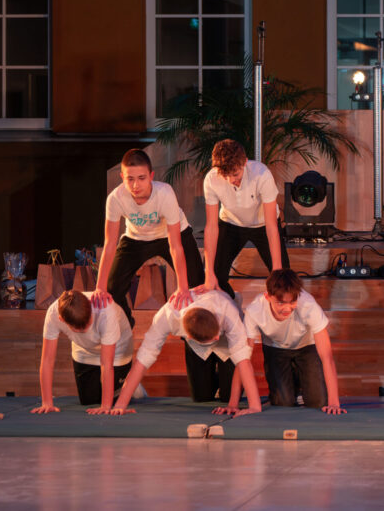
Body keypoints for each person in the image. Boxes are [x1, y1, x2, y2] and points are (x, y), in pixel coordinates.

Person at [91, 149, 205, 325]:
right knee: (111, 289)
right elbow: (110, 243)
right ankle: (126, 325)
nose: (135, 185)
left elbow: (175, 246)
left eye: (141, 178)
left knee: (195, 286)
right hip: (136, 238)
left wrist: (183, 287)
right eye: (130, 179)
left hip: (172, 235)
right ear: (122, 177)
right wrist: (100, 287)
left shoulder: (165, 193)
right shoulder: (115, 198)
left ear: (151, 176)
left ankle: (191, 334)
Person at [108, 287, 262, 416]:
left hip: (227, 342)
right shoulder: (168, 315)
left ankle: (226, 389)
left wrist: (247, 406)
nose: (215, 337)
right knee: (201, 398)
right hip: (197, 345)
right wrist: (120, 405)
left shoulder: (227, 311)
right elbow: (143, 358)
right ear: (188, 336)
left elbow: (243, 361)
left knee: (228, 396)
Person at [237, 269, 346, 414]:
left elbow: (327, 357)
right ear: (268, 297)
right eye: (280, 303)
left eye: (292, 302)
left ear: (298, 296)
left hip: (306, 347)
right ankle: (290, 383)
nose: (287, 308)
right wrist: (235, 404)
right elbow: (243, 359)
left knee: (318, 402)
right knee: (283, 403)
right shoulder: (255, 310)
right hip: (275, 349)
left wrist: (334, 403)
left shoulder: (308, 305)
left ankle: (301, 381)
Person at [202, 139, 289, 298]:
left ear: (245, 162)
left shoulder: (261, 174)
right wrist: (209, 272)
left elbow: (271, 226)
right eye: (225, 175)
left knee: (283, 279)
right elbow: (211, 227)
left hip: (263, 224)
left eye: (235, 174)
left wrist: (277, 270)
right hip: (230, 224)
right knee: (214, 276)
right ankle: (232, 303)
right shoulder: (211, 179)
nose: (231, 180)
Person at [31, 290, 134, 415]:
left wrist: (105, 406)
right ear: (62, 319)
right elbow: (47, 360)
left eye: (87, 324)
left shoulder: (105, 312)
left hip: (117, 350)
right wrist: (47, 402)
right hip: (84, 350)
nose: (85, 330)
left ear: (90, 308)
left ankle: (130, 385)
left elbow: (107, 364)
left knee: (113, 403)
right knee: (89, 402)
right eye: (78, 329)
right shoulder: (53, 314)